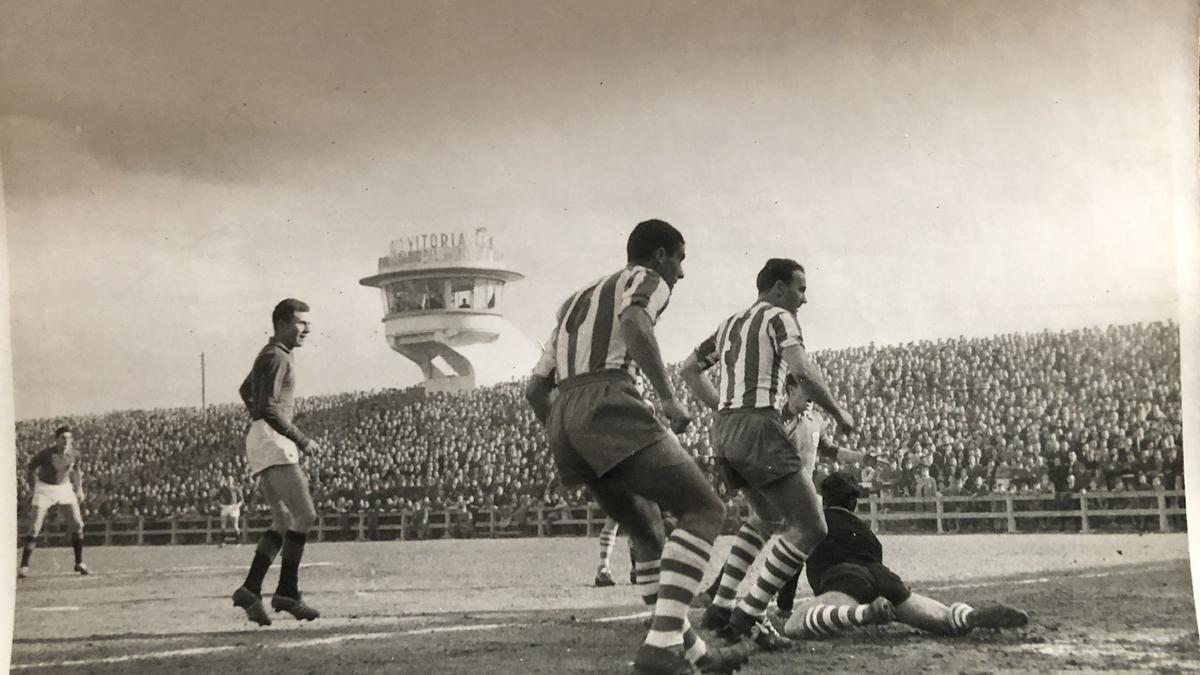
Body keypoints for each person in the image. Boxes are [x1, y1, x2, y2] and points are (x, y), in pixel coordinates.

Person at [525, 219, 747, 675]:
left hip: (563, 412)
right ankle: (661, 648)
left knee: (646, 530)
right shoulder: (648, 279)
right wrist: (668, 398)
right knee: (705, 510)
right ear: (661, 254)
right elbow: (633, 322)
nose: (681, 273)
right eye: (680, 259)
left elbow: (534, 390)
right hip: (606, 396)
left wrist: (568, 433)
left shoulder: (573, 302)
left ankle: (695, 655)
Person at [680, 258, 855, 650]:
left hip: (724, 431)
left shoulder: (730, 324)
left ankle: (721, 609)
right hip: (758, 425)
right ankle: (750, 615)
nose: (804, 298)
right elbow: (804, 372)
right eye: (800, 288)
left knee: (767, 518)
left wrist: (723, 406)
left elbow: (689, 369)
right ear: (777, 287)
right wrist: (838, 412)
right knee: (813, 527)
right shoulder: (779, 317)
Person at [783, 473, 1029, 640]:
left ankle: (863, 614)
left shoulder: (816, 524)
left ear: (824, 499)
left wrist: (785, 604)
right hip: (883, 579)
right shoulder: (868, 533)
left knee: (794, 624)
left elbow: (792, 564)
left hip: (844, 580)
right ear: (854, 503)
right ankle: (967, 616)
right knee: (943, 620)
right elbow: (873, 566)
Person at [231, 298, 321, 626]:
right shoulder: (277, 355)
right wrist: (301, 438)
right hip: (272, 437)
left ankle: (251, 589)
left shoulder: (271, 355)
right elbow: (268, 407)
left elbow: (246, 390)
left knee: (282, 520)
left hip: (262, 437)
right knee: (305, 514)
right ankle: (287, 592)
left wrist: (258, 420)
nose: (307, 329)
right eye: (301, 322)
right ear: (282, 323)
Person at [18, 425, 90, 578]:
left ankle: (79, 562)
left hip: (64, 488)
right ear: (56, 440)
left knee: (78, 523)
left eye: (69, 438)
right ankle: (24, 565)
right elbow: (30, 468)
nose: (66, 441)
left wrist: (79, 489)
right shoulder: (46, 454)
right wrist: (32, 489)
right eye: (63, 438)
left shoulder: (74, 454)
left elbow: (77, 470)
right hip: (44, 488)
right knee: (35, 527)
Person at [215, 475, 245, 548]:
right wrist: (220, 505)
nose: (229, 481)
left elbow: (241, 500)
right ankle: (222, 542)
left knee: (235, 525)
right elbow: (216, 498)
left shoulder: (236, 489)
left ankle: (238, 543)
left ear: (232, 481)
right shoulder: (223, 489)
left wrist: (238, 505)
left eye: (230, 480)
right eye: (228, 480)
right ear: (226, 481)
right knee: (223, 525)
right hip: (225, 507)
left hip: (233, 507)